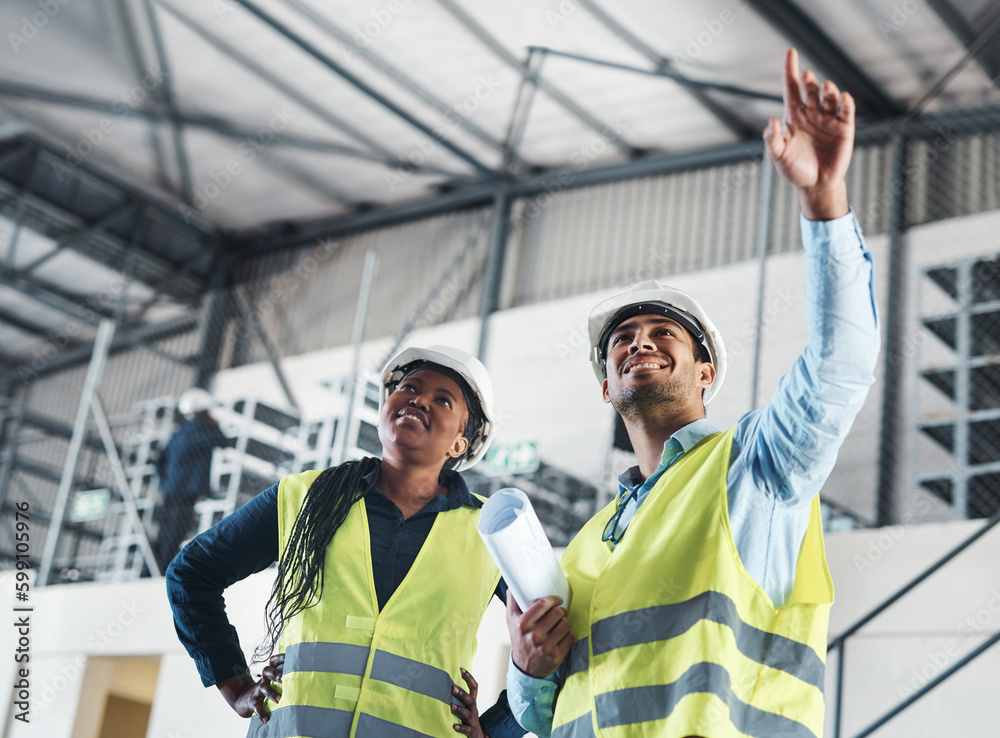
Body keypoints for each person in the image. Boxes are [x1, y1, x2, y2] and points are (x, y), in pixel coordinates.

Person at [503, 49, 880, 738]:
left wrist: (824, 202)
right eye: (623, 339)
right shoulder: (584, 548)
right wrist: (528, 668)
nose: (638, 342)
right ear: (607, 389)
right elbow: (547, 713)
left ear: (707, 372)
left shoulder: (755, 470)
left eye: (662, 332)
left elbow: (841, 362)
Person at [167, 346, 527, 738]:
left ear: (460, 443)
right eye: (408, 388)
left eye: (443, 400)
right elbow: (191, 574)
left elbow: (558, 642)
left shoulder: (491, 528)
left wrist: (495, 731)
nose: (418, 399)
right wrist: (234, 685)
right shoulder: (306, 498)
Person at [154, 387, 229, 570]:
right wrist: (214, 423)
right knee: (176, 532)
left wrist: (164, 483)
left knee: (165, 532)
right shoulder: (202, 430)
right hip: (187, 490)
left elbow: (159, 460)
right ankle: (163, 569)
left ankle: (155, 568)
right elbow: (223, 441)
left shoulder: (179, 432)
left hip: (173, 489)